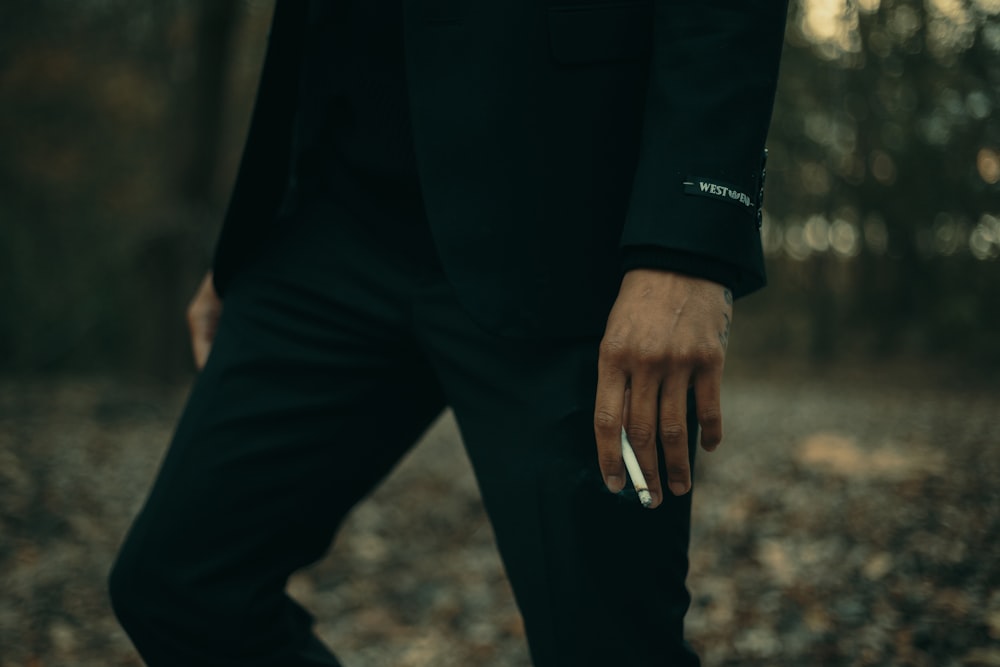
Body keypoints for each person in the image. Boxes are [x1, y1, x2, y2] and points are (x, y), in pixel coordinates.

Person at [109, 1, 788, 665]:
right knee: (178, 586)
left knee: (609, 648)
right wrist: (248, 237)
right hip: (329, 216)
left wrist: (684, 246)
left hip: (569, 217)